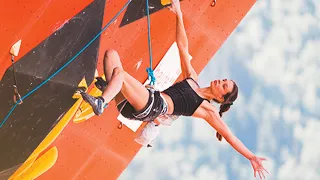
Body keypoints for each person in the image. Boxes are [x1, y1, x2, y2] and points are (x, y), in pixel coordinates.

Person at [80, 0, 269, 179]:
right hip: (130, 107)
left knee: (120, 74)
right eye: (224, 80)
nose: (221, 81)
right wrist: (178, 13)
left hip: (153, 106)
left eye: (224, 85)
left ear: (221, 98)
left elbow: (228, 135)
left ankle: (101, 102)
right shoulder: (192, 79)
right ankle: (109, 89)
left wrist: (251, 157)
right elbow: (182, 46)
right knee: (111, 56)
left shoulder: (207, 110)